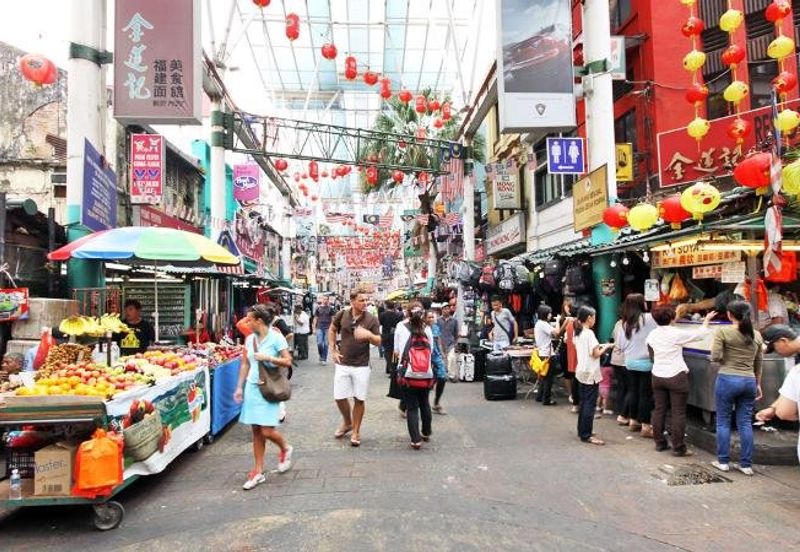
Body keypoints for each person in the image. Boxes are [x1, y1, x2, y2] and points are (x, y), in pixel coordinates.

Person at [233, 305, 294, 490]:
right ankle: (258, 471)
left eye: (249, 319)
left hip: (269, 389)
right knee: (257, 432)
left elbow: (288, 361)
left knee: (267, 431)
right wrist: (239, 387)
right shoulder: (250, 339)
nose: (247, 322)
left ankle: (285, 448)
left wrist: (268, 357)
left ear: (258, 321)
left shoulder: (276, 338)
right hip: (252, 388)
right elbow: (245, 364)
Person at [647, 305, 715, 456]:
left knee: (659, 410)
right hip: (676, 375)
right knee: (678, 412)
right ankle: (678, 447)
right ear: (671, 318)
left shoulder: (651, 335)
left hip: (657, 375)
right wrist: (707, 320)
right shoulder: (676, 333)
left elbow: (651, 355)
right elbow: (701, 334)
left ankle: (659, 443)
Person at [711, 300, 763, 476]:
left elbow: (715, 356)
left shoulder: (723, 331)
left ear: (730, 315)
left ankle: (723, 462)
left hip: (727, 379)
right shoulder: (757, 335)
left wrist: (724, 359)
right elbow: (759, 363)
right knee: (745, 422)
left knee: (723, 420)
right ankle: (746, 465)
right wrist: (758, 383)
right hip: (749, 381)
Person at [328, 288, 382, 447]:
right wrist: (333, 349)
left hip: (362, 364)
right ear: (352, 301)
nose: (365, 303)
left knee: (359, 398)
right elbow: (332, 329)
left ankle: (356, 430)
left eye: (366, 300)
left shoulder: (371, 319)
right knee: (339, 396)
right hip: (343, 363)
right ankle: (347, 422)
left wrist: (369, 335)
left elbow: (379, 341)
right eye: (361, 300)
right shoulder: (342, 314)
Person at [756, 325, 800, 464]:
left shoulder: (797, 371)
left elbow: (785, 413)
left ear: (783, 340)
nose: (777, 353)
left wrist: (780, 410)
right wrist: (773, 408)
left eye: (775, 348)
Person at [617, 294, 658, 438]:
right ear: (642, 304)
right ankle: (646, 426)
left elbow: (620, 346)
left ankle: (633, 421)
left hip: (630, 362)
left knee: (634, 391)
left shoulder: (624, 323)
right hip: (646, 363)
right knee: (645, 394)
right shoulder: (649, 318)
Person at [395, 303, 435, 448]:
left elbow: (397, 350)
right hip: (425, 372)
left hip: (407, 373)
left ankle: (415, 439)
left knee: (412, 407)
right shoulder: (427, 328)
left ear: (407, 313)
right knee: (425, 402)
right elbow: (431, 350)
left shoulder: (400, 326)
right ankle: (426, 431)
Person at [573, 306, 613, 446]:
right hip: (590, 372)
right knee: (589, 404)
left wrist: (603, 345)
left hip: (581, 371)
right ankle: (586, 434)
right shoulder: (589, 333)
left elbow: (588, 349)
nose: (595, 320)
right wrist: (607, 347)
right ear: (589, 318)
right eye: (594, 317)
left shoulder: (577, 333)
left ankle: (582, 430)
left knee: (584, 402)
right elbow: (595, 353)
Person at [533, 304, 563, 405]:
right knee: (548, 378)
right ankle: (547, 399)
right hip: (547, 354)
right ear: (545, 314)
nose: (551, 315)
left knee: (543, 376)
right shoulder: (543, 324)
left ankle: (540, 396)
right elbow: (557, 333)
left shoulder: (539, 323)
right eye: (549, 313)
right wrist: (559, 320)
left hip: (541, 353)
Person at [426, 310, 448, 414]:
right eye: (428, 317)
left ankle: (436, 403)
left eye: (432, 317)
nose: (431, 319)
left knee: (442, 377)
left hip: (436, 355)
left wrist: (443, 354)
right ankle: (405, 405)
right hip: (424, 357)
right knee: (421, 381)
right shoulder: (421, 329)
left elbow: (438, 341)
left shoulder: (435, 327)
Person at [560, 298, 580, 411]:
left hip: (572, 353)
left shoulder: (571, 323)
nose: (567, 308)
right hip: (573, 353)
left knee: (575, 377)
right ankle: (574, 398)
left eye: (569, 306)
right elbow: (559, 335)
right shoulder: (573, 324)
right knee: (572, 376)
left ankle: (575, 402)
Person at [610, 318, 629, 424]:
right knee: (629, 387)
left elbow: (613, 336)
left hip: (615, 358)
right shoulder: (632, 324)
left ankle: (620, 411)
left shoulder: (618, 323)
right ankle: (624, 413)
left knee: (621, 386)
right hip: (625, 360)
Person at [379, 300, 404, 375]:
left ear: (386, 306)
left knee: (387, 352)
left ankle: (390, 368)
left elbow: (380, 323)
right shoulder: (398, 315)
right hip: (395, 335)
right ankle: (392, 368)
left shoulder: (383, 314)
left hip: (386, 335)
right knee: (395, 351)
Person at [313, 296, 335, 365]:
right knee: (319, 343)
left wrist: (332, 329)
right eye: (324, 299)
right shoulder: (318, 308)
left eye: (326, 299)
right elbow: (315, 318)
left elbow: (333, 319)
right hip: (319, 327)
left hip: (327, 328)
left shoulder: (331, 309)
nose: (325, 300)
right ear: (322, 300)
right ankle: (321, 355)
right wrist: (313, 328)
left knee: (326, 344)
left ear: (328, 300)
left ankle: (324, 359)